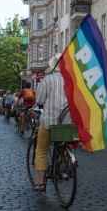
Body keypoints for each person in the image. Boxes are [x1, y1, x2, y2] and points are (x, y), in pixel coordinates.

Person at [34, 53, 68, 191]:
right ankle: (65, 163)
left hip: (50, 121)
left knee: (41, 150)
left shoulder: (48, 80)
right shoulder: (72, 80)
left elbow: (40, 100)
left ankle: (40, 183)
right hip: (67, 122)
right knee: (64, 144)